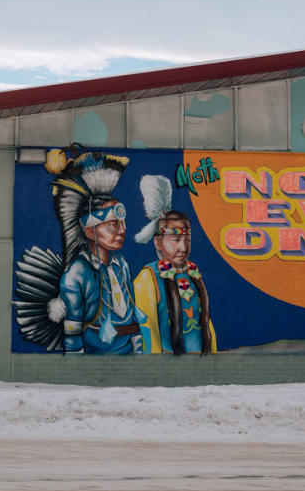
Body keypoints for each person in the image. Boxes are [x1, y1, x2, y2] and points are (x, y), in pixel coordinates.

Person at [45, 149, 140, 354]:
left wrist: (139, 352)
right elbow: (72, 332)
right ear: (89, 231)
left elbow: (133, 316)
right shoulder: (77, 273)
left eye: (122, 224)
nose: (122, 231)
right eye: (112, 225)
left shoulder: (121, 264)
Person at [132, 175, 216, 355]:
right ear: (157, 242)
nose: (183, 247)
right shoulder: (148, 277)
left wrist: (213, 359)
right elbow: (148, 329)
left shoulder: (193, 273)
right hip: (167, 366)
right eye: (176, 239)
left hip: (200, 364)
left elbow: (206, 323)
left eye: (188, 240)